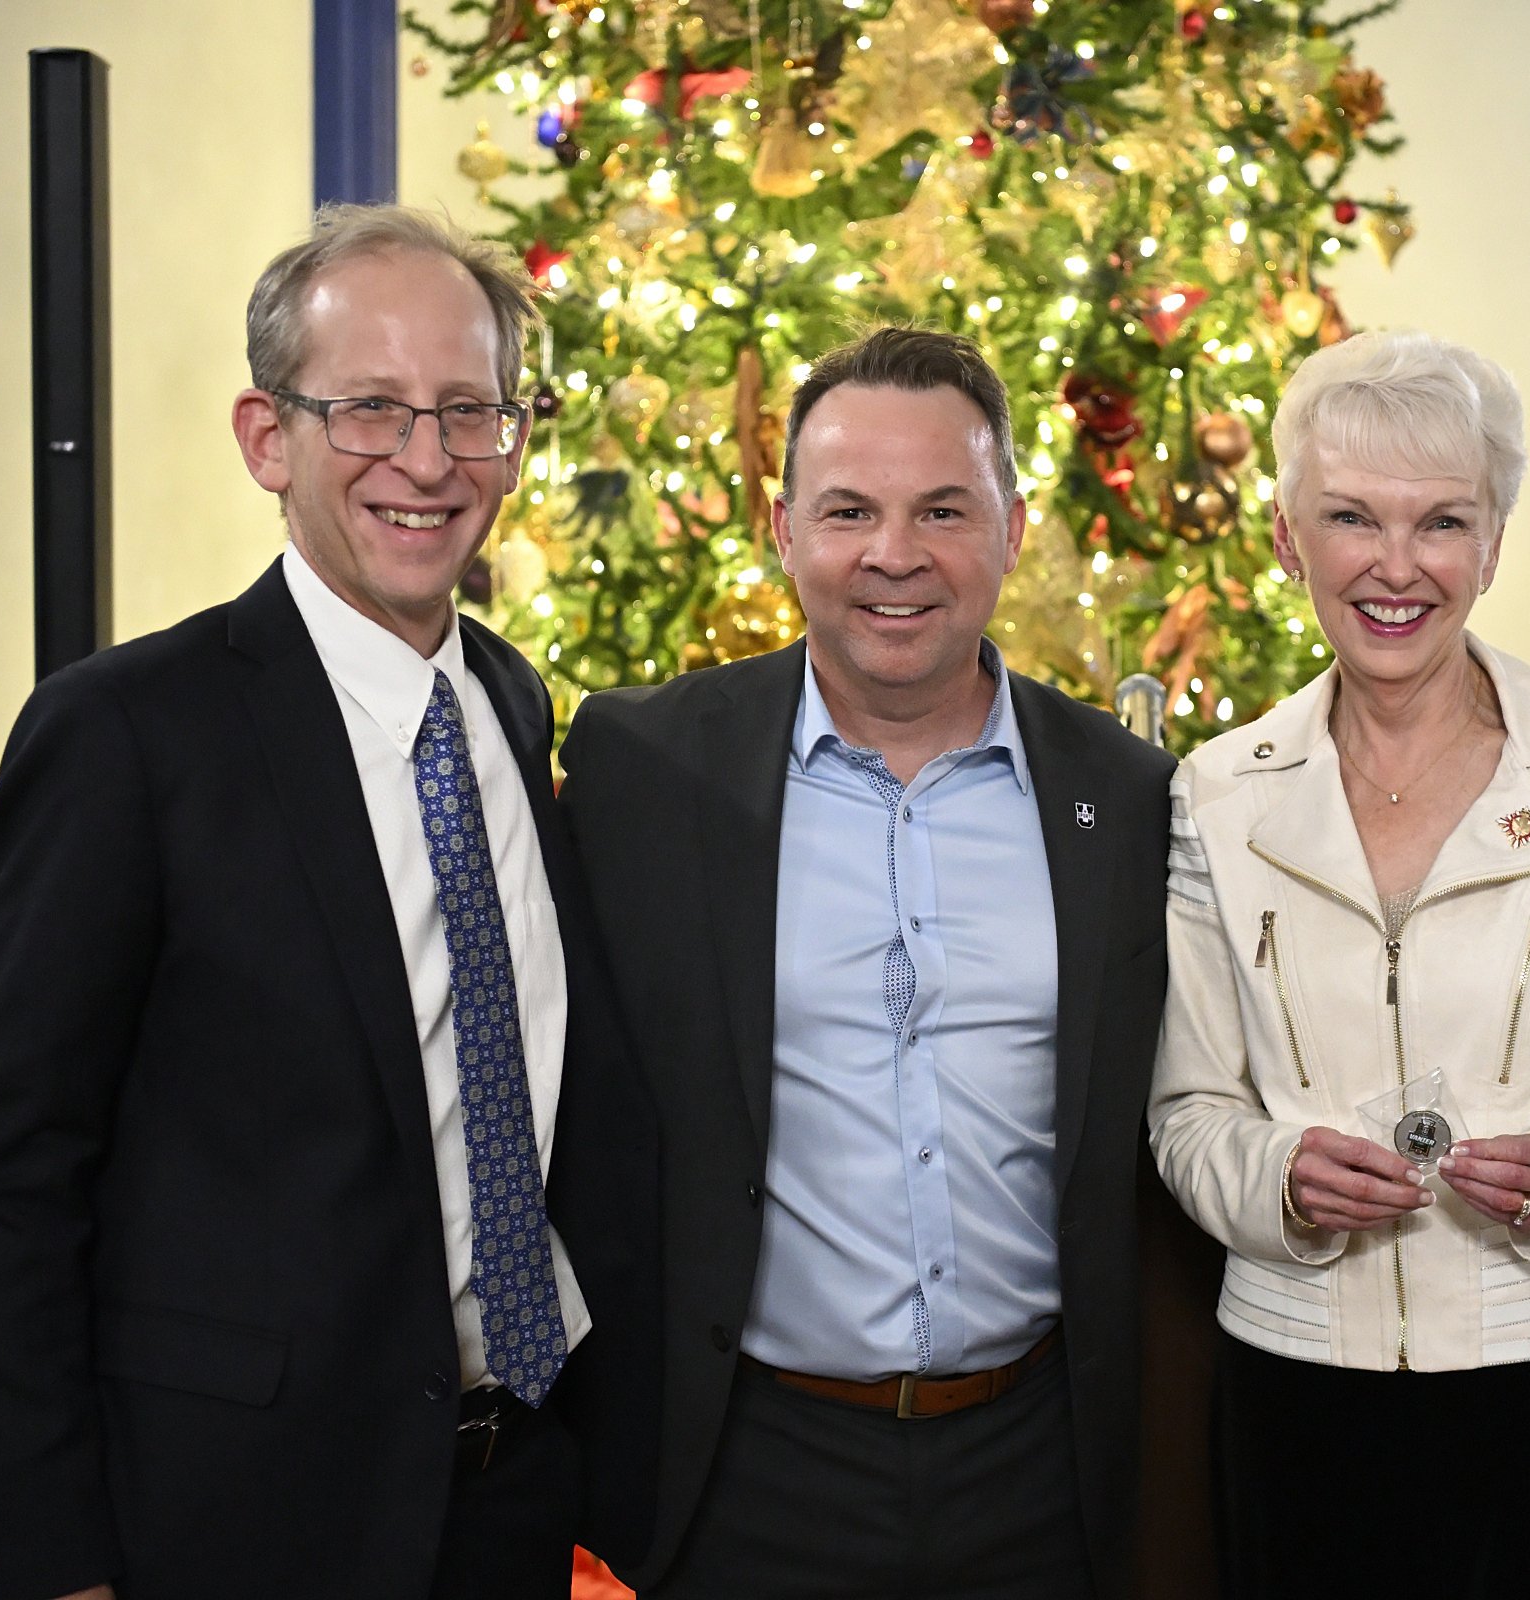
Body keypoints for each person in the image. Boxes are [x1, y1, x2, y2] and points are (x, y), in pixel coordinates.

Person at [0, 204, 653, 1600]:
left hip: (512, 1497)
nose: (428, 461)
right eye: (369, 409)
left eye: (470, 411)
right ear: (269, 438)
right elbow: (8, 1187)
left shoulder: (512, 703)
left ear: (514, 439)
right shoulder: (126, 736)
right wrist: (49, 1560)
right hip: (240, 1518)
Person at [559, 327, 1175, 1599]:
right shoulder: (643, 768)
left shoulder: (1127, 796)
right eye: (849, 511)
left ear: (1013, 528)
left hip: (1041, 1467)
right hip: (747, 1469)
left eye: (943, 509)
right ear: (783, 530)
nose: (895, 554)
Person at [1148, 330, 1530, 1597]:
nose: (1397, 565)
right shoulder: (1214, 795)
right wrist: (1280, 1179)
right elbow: (1189, 1112)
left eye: (1443, 522)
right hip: (1298, 1389)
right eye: (1351, 518)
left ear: (1494, 545)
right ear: (1286, 537)